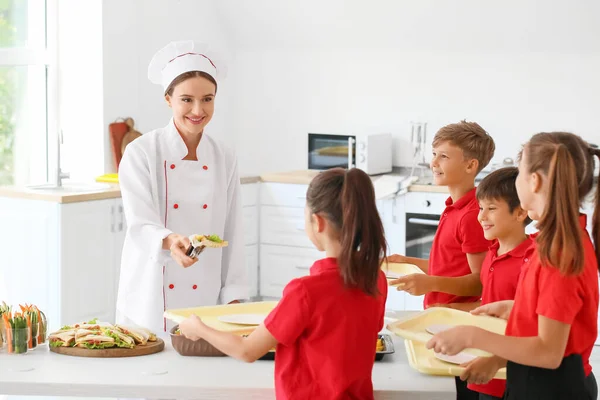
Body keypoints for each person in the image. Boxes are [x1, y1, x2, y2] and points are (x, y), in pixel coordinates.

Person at [180, 168, 388, 400]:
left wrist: (199, 328)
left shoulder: (305, 291)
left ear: (317, 222)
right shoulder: (376, 279)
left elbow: (247, 351)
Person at [427, 132, 600, 400]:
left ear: (535, 181)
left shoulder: (560, 252)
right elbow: (556, 318)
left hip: (552, 389)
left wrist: (473, 336)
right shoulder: (554, 240)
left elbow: (549, 352)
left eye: (519, 172)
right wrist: (518, 310)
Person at [116, 41, 248, 333]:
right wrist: (169, 240)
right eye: (186, 99)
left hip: (206, 294)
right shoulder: (141, 152)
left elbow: (233, 230)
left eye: (208, 99)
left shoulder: (224, 155)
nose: (198, 110)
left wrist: (234, 295)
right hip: (151, 294)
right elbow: (140, 224)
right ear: (168, 99)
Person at [388, 120, 495, 399]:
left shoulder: (472, 215)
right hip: (442, 319)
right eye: (434, 154)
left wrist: (429, 282)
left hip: (458, 323)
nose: (433, 162)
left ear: (471, 166)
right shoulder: (454, 207)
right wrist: (408, 260)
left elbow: (479, 283)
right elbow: (449, 264)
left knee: (460, 390)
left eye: (444, 156)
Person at [457, 167, 534, 400]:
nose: (481, 216)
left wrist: (495, 360)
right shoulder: (492, 252)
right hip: (483, 364)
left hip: (508, 373)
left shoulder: (532, 260)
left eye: (491, 209)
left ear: (520, 213)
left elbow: (530, 326)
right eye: (481, 208)